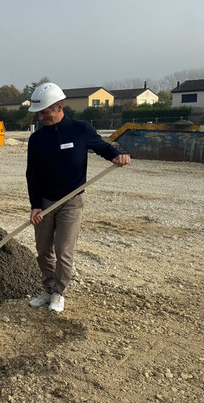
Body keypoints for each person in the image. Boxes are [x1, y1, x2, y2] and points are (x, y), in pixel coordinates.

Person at [26, 82, 131, 314]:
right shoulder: (37, 139)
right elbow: (31, 174)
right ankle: (48, 288)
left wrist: (118, 156)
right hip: (45, 202)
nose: (42, 117)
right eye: (40, 113)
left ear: (59, 107)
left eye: (46, 112)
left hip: (72, 202)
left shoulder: (81, 130)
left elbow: (103, 148)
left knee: (63, 250)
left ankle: (59, 293)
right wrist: (35, 205)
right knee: (43, 250)